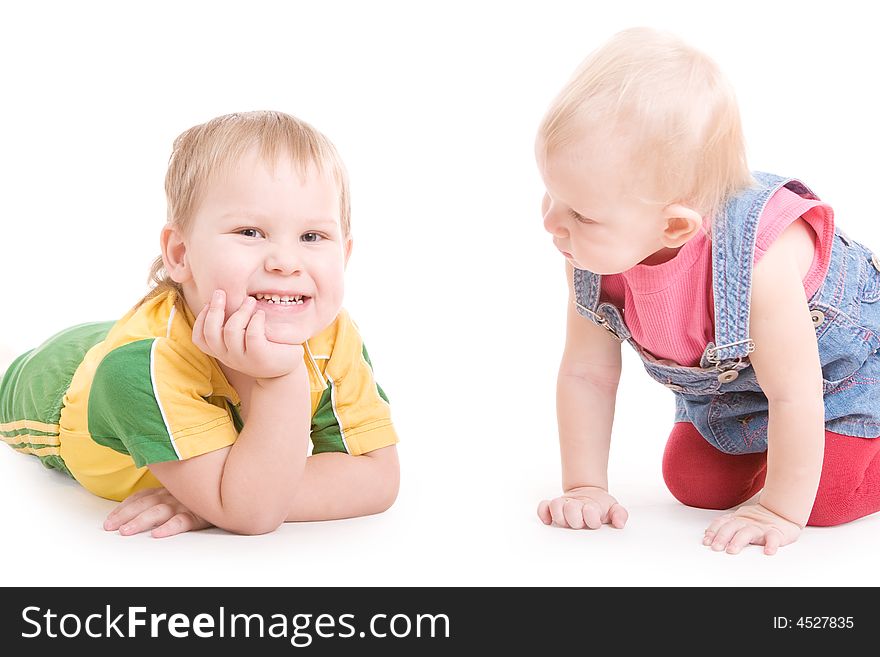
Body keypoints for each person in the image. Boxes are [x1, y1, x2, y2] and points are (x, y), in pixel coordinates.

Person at [535, 28, 880, 555]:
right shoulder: (589, 256)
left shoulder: (760, 261)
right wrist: (586, 487)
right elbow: (586, 373)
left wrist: (778, 510)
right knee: (693, 483)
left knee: (822, 501)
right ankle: (799, 458)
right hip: (741, 394)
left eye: (580, 213)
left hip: (841, 378)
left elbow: (796, 393)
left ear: (675, 227)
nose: (553, 223)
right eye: (552, 195)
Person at [0, 111, 399, 537]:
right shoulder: (139, 368)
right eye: (250, 232)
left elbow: (378, 478)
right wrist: (239, 491)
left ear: (346, 253)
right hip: (57, 385)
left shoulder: (332, 336)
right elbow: (252, 513)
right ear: (180, 253)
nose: (285, 262)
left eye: (312, 237)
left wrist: (225, 497)